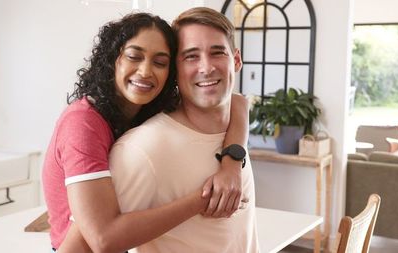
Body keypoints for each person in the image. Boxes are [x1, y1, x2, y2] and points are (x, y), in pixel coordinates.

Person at [41, 12, 249, 253]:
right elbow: (102, 239)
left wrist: (232, 164)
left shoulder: (148, 107)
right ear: (112, 59)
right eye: (134, 56)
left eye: (160, 62)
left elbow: (239, 103)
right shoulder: (83, 123)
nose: (145, 71)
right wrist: (207, 197)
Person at [109, 7, 258, 252]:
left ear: (237, 60)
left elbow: (239, 101)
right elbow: (91, 243)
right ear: (174, 71)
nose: (207, 67)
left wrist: (232, 161)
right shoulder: (144, 148)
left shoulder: (233, 126)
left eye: (217, 52)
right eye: (191, 56)